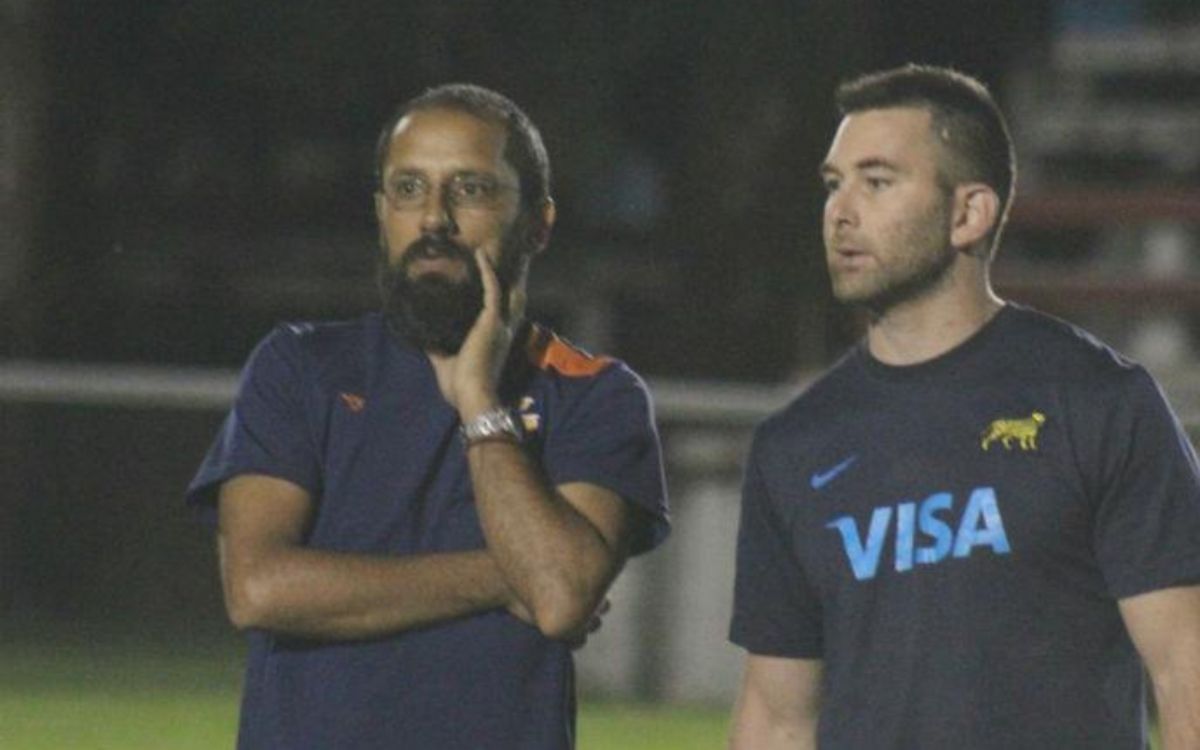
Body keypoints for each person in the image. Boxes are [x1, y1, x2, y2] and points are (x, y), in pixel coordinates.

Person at [728, 64, 1200, 749]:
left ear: (968, 213)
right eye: (834, 184)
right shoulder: (793, 445)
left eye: (878, 181)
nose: (841, 211)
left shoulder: (1096, 401)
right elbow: (777, 717)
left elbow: (1185, 670)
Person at [186, 83, 670, 750]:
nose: (434, 218)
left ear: (538, 222)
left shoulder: (596, 394)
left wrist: (478, 401)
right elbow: (259, 588)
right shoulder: (299, 367)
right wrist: (507, 576)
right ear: (382, 213)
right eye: (409, 189)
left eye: (470, 189)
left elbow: (558, 600)